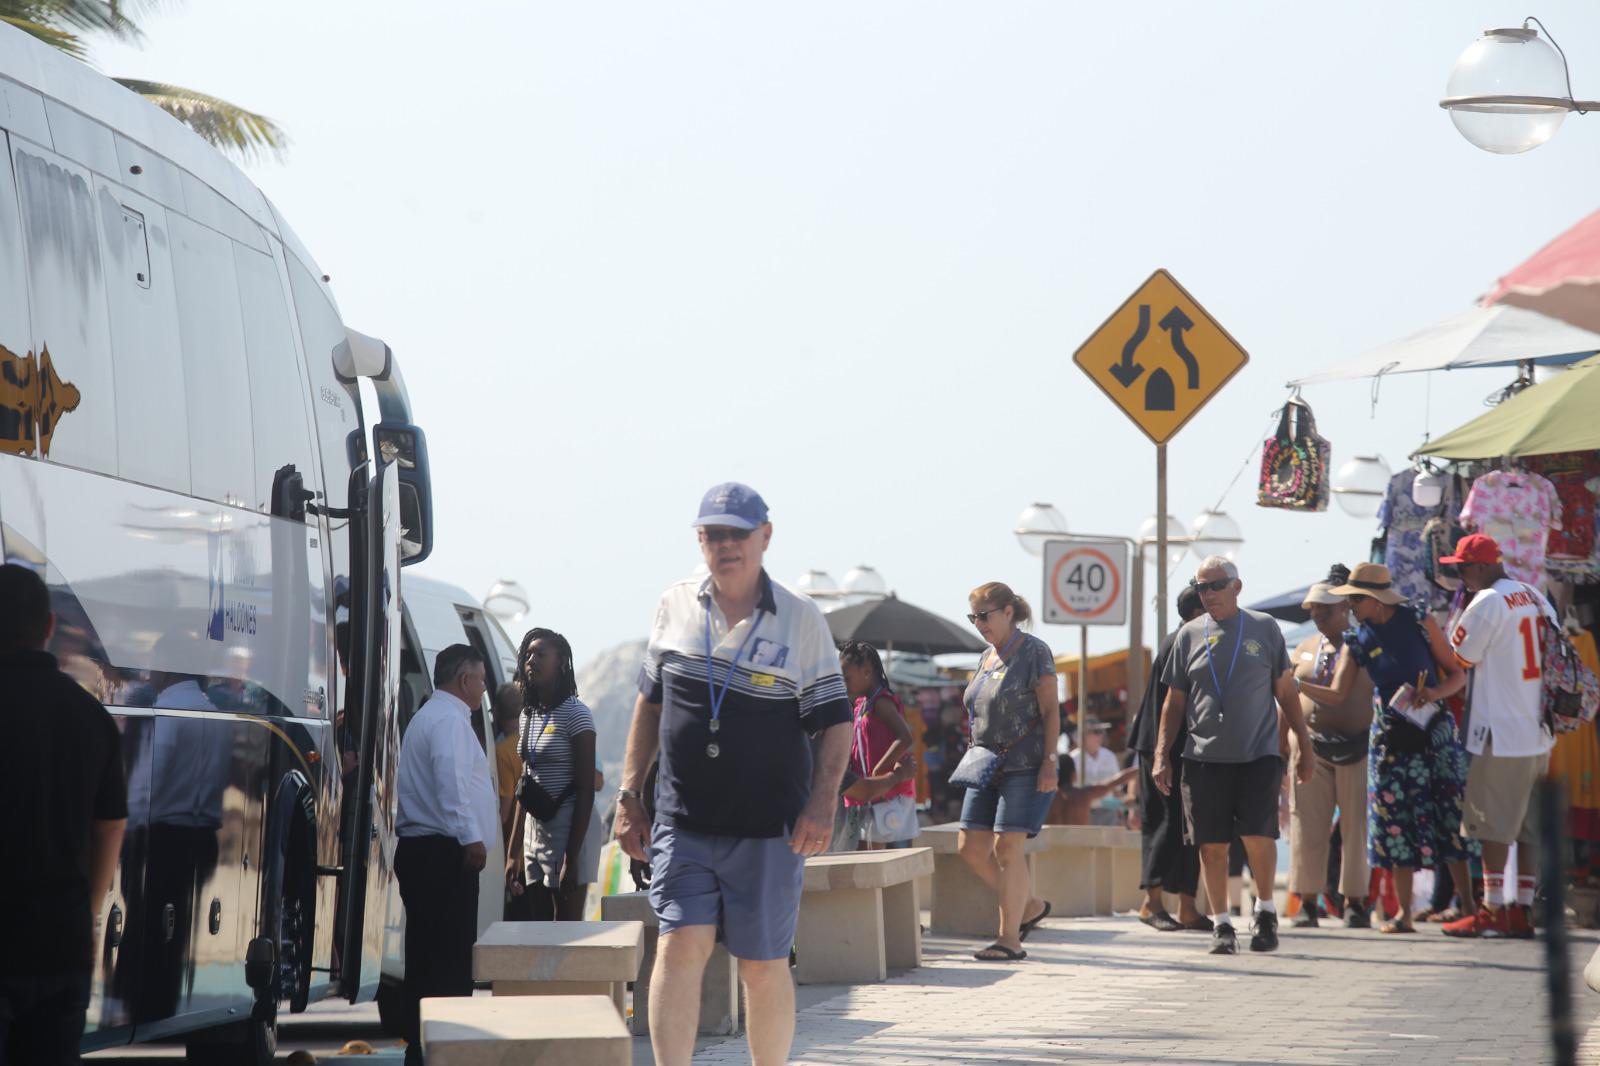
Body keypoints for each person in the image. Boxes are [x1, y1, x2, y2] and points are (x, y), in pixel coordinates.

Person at [613, 482, 852, 1066]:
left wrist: (821, 805)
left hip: (769, 828)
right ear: (699, 540)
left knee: (762, 963)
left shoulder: (799, 620)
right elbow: (649, 704)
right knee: (679, 943)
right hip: (683, 821)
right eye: (712, 534)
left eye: (736, 534)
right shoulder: (675, 605)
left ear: (764, 537)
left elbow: (836, 723)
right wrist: (628, 795)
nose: (724, 546)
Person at [1300, 562, 1477, 935]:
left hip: (1434, 732)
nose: (1349, 608)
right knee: (1394, 823)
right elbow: (1337, 693)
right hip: (1390, 737)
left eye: (1355, 600)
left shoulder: (1418, 620)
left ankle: (1470, 905)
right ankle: (1404, 915)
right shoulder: (1357, 638)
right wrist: (1293, 685)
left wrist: (1433, 693)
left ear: (1376, 601)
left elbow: (1457, 673)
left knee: (1447, 814)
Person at [1154, 556, 1315, 955]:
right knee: (1211, 844)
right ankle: (1223, 924)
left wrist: (1303, 744)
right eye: (1200, 587)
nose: (1207, 594)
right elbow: (1174, 702)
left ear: (1236, 587)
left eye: (1215, 585)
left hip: (1257, 754)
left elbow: (1286, 691)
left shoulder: (1263, 627)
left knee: (1259, 836)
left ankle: (1264, 910)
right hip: (1204, 758)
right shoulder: (1188, 636)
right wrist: (1161, 754)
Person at [0, 565, 127, 1066]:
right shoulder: (90, 717)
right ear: (49, 627)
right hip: (62, 943)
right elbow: (110, 826)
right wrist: (87, 910)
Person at [1440, 534, 1555, 939]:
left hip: (1501, 730)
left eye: (1461, 568)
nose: (1459, 576)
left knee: (1490, 823)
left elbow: (1457, 659)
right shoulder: (1535, 596)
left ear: (1482, 566)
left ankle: (1491, 908)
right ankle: (1521, 909)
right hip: (1539, 729)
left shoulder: (1488, 602)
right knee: (1527, 826)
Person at [393, 644, 495, 1066]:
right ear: (465, 680)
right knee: (448, 965)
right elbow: (451, 784)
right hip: (442, 854)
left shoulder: (430, 716)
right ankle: (444, 1053)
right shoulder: (449, 721)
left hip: (426, 852)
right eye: (483, 680)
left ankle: (426, 1052)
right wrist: (470, 837)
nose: (485, 689)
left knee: (427, 961)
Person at [956, 581, 1059, 963]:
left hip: (1026, 765)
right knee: (969, 847)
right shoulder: (985, 657)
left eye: (985, 615)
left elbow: (1051, 711)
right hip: (985, 765)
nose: (979, 623)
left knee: (1008, 849)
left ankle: (1009, 939)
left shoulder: (1034, 652)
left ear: (1009, 612)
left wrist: (1050, 762)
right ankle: (1028, 905)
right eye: (973, 617)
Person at [1288, 580, 1375, 929]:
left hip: (1358, 744)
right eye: (1313, 609)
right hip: (1310, 745)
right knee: (1307, 824)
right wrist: (1285, 742)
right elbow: (1287, 698)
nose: (1318, 614)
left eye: (1324, 608)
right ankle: (1307, 901)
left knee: (1356, 827)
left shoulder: (1365, 646)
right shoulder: (1305, 647)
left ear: (1344, 609)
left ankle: (1355, 901)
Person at [1129, 583, 1208, 932]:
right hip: (1163, 747)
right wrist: (1163, 754)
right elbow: (1171, 703)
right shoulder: (1182, 640)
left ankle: (1188, 906)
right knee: (1166, 823)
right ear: (1196, 613)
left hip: (1187, 746)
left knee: (1192, 827)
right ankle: (1153, 903)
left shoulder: (1195, 640)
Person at [504, 628, 598, 922]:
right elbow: (525, 786)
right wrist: (513, 853)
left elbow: (586, 788)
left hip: (571, 830)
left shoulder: (577, 714)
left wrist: (572, 857)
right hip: (536, 831)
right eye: (528, 655)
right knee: (540, 928)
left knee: (566, 931)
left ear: (560, 663)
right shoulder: (527, 715)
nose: (531, 660)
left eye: (541, 654)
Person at [838, 640, 917, 850]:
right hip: (872, 793)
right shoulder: (861, 705)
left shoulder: (881, 702)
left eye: (847, 678)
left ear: (866, 672)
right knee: (869, 858)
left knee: (879, 860)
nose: (844, 684)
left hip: (887, 794)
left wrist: (879, 771)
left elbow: (905, 737)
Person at [1046, 756, 1138, 826]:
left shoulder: (1047, 798)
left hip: (1051, 848)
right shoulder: (1083, 795)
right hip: (1079, 848)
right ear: (1074, 775)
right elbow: (1115, 781)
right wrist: (1143, 767)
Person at [491, 681, 523, 843]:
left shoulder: (503, 751)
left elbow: (504, 812)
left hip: (515, 846)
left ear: (496, 713)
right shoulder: (534, 740)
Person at [1070, 720, 1121, 786]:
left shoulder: (1110, 756)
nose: (1100, 735)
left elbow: (1117, 785)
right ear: (1084, 735)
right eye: (1096, 732)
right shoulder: (1073, 758)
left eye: (1101, 732)